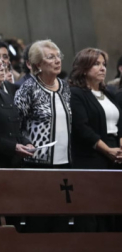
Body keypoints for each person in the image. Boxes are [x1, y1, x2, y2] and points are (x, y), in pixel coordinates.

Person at [14, 39, 71, 233]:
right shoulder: (28, 88)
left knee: (62, 217)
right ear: (38, 64)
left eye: (58, 56)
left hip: (65, 162)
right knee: (40, 219)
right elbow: (15, 124)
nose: (57, 61)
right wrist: (26, 143)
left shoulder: (65, 87)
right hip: (37, 162)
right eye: (50, 57)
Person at [70, 48, 122, 232]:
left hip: (116, 154)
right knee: (95, 209)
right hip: (92, 155)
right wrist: (107, 150)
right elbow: (82, 128)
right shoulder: (76, 93)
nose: (102, 68)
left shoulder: (109, 93)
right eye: (96, 64)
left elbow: (119, 123)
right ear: (83, 68)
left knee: (114, 208)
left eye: (104, 65)